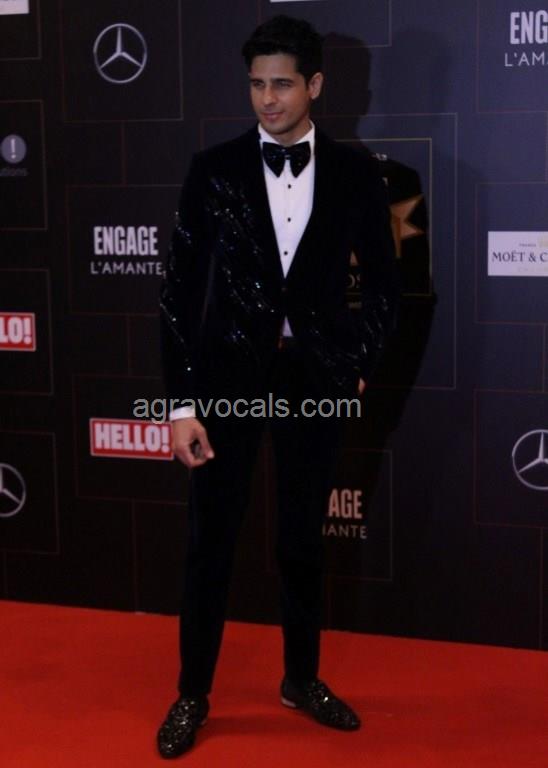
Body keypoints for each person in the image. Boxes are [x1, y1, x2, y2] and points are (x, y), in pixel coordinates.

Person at [157, 14, 398, 759]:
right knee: (211, 544)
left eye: (283, 84)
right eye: (257, 84)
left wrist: (354, 361)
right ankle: (192, 693)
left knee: (302, 539)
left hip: (313, 380)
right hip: (226, 380)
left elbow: (385, 287)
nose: (267, 99)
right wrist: (181, 403)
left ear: (315, 85)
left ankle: (301, 679)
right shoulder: (214, 169)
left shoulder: (358, 174)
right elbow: (179, 292)